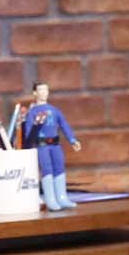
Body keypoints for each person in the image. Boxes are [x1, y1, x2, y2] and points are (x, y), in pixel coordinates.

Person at [15, 81, 84, 212]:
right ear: (35, 93)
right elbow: (29, 132)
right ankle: (50, 199)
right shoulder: (32, 112)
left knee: (59, 168)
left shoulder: (55, 110)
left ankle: (62, 197)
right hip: (42, 146)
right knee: (47, 170)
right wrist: (29, 143)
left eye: (46, 90)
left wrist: (72, 140)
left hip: (56, 145)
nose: (44, 92)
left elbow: (64, 125)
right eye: (41, 90)